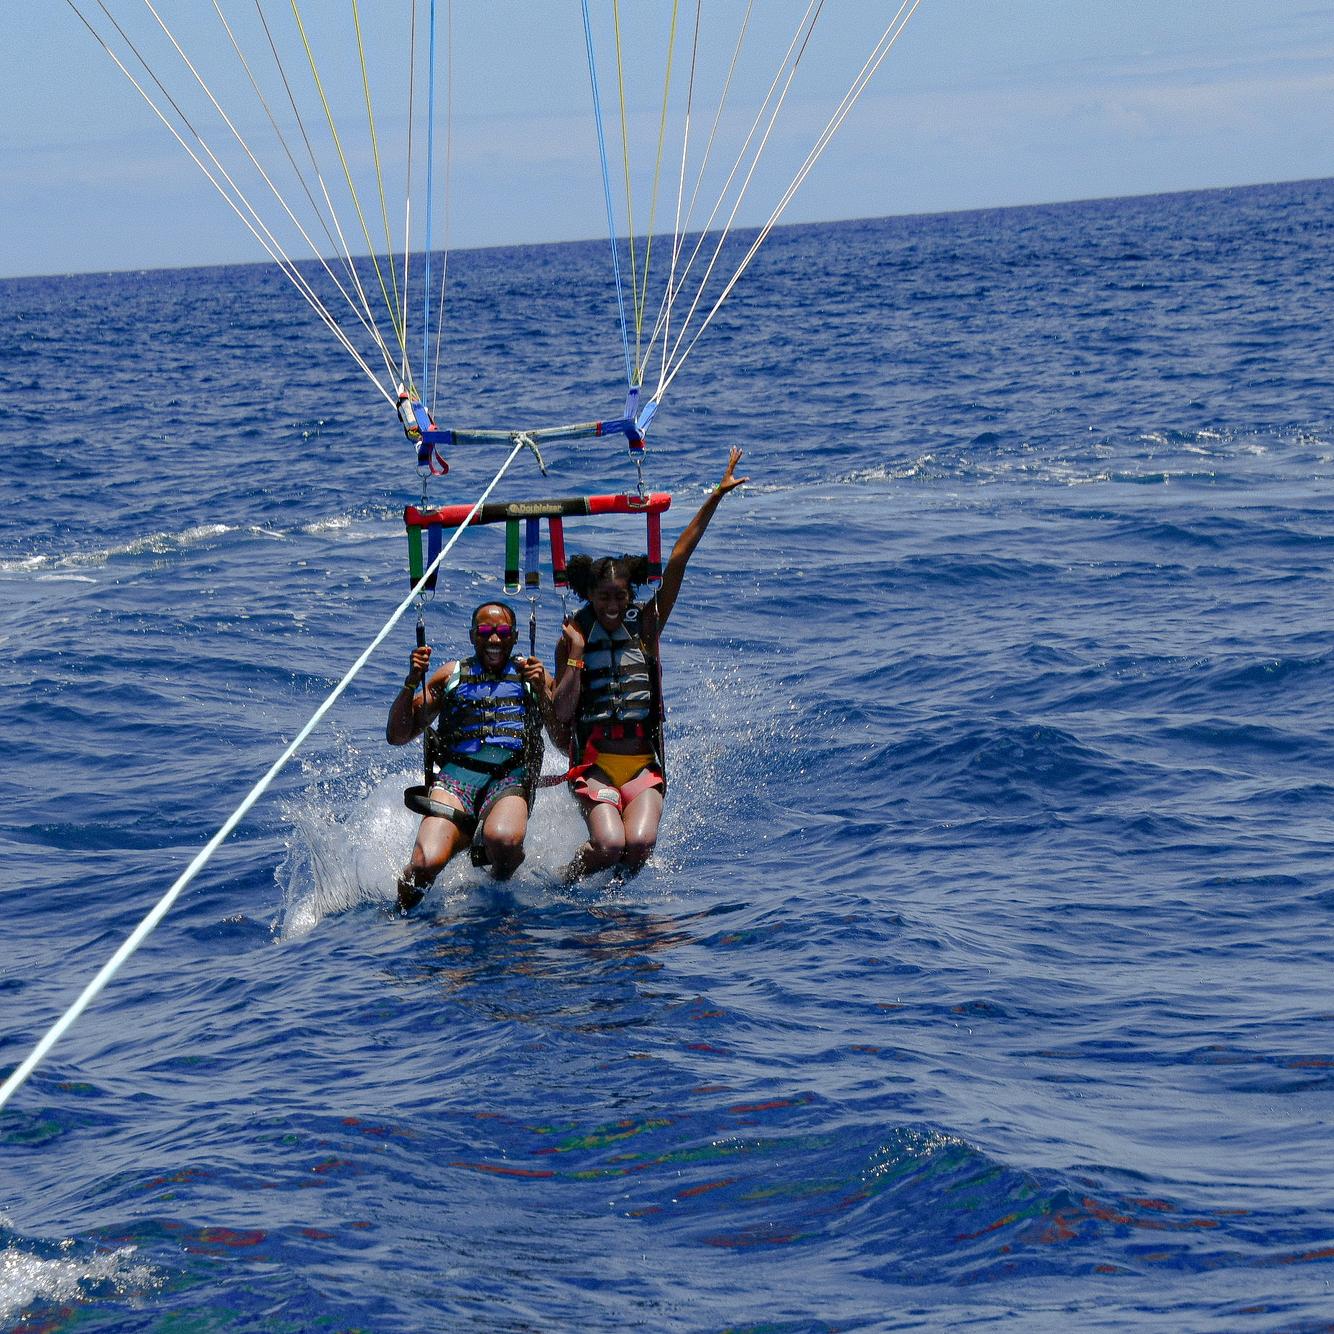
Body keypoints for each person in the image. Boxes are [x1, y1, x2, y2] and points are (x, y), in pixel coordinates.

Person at [551, 447, 748, 881]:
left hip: (643, 764)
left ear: (630, 594)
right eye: (604, 596)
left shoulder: (646, 627)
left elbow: (678, 559)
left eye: (621, 595)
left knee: (638, 846)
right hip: (595, 764)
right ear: (590, 596)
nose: (614, 604)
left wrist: (715, 496)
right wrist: (578, 656)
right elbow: (561, 714)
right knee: (609, 846)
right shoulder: (573, 638)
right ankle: (562, 882)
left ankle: (614, 917)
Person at [387, 600, 553, 912]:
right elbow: (397, 735)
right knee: (425, 863)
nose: (494, 639)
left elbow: (561, 736)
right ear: (472, 636)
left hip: (508, 781)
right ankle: (399, 916)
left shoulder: (531, 677)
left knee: (504, 840)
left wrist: (543, 689)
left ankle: (496, 881)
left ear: (515, 636)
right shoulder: (451, 676)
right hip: (455, 782)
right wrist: (411, 681)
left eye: (503, 632)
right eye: (485, 632)